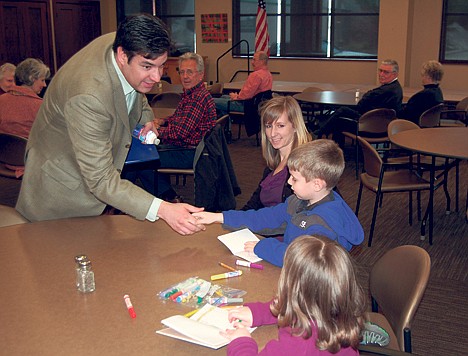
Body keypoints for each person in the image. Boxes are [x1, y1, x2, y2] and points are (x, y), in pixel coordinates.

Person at [16, 14, 205, 235]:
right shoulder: (89, 96)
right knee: (61, 262)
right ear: (122, 56)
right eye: (147, 67)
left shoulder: (124, 41)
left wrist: (146, 118)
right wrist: (163, 209)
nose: (156, 77)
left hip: (88, 178)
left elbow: (137, 93)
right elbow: (101, 179)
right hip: (59, 191)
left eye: (161, 66)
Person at [193, 139, 364, 267]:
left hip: (312, 290)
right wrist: (219, 217)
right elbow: (264, 218)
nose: (289, 182)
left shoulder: (323, 225)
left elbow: (301, 260)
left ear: (317, 184)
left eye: (295, 179)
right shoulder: (300, 201)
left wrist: (263, 247)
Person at [222, 235, 366, 355]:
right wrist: (258, 313)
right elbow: (297, 305)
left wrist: (241, 341)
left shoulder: (299, 342)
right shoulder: (342, 313)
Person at [136, 52, 217, 202]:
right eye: (182, 72)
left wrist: (156, 131)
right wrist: (163, 121)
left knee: (140, 160)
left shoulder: (196, 99)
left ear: (201, 75)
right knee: (143, 154)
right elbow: (180, 120)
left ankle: (169, 197)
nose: (185, 76)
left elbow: (179, 132)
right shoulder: (194, 94)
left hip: (190, 153)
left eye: (190, 72)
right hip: (195, 149)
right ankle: (167, 195)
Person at [242, 96, 311, 211]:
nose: (272, 133)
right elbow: (253, 206)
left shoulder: (304, 166)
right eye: (268, 126)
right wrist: (221, 219)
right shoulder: (272, 167)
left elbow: (296, 216)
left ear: (295, 126)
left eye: (280, 126)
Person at [317, 59, 403, 147]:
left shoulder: (385, 90)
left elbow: (361, 105)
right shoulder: (396, 87)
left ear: (395, 74)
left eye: (385, 72)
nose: (381, 74)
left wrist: (368, 94)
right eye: (380, 71)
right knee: (342, 112)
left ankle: (320, 136)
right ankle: (322, 133)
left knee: (340, 118)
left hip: (371, 128)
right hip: (383, 127)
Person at [0, 58, 50, 138]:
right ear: (32, 78)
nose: (44, 85)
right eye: (42, 80)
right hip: (30, 149)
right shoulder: (40, 106)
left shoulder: (1, 100)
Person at [213, 51, 273, 117]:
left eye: (254, 60)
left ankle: (222, 123)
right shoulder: (268, 74)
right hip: (259, 104)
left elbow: (246, 95)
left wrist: (236, 97)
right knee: (223, 97)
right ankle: (225, 122)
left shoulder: (256, 75)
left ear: (262, 61)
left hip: (247, 105)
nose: (252, 62)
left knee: (212, 101)